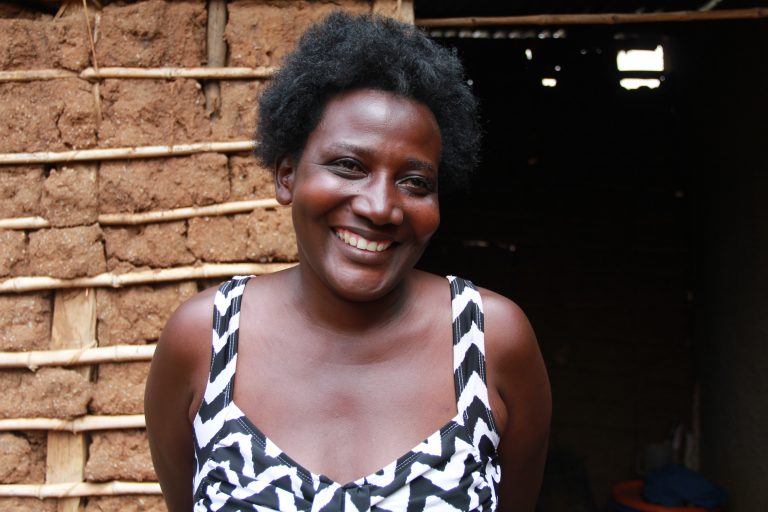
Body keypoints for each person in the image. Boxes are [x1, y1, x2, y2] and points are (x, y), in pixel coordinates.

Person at [145, 11, 551, 512]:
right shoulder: (204, 341)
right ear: (287, 175)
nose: (380, 207)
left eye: (415, 182)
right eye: (349, 166)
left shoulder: (492, 343)